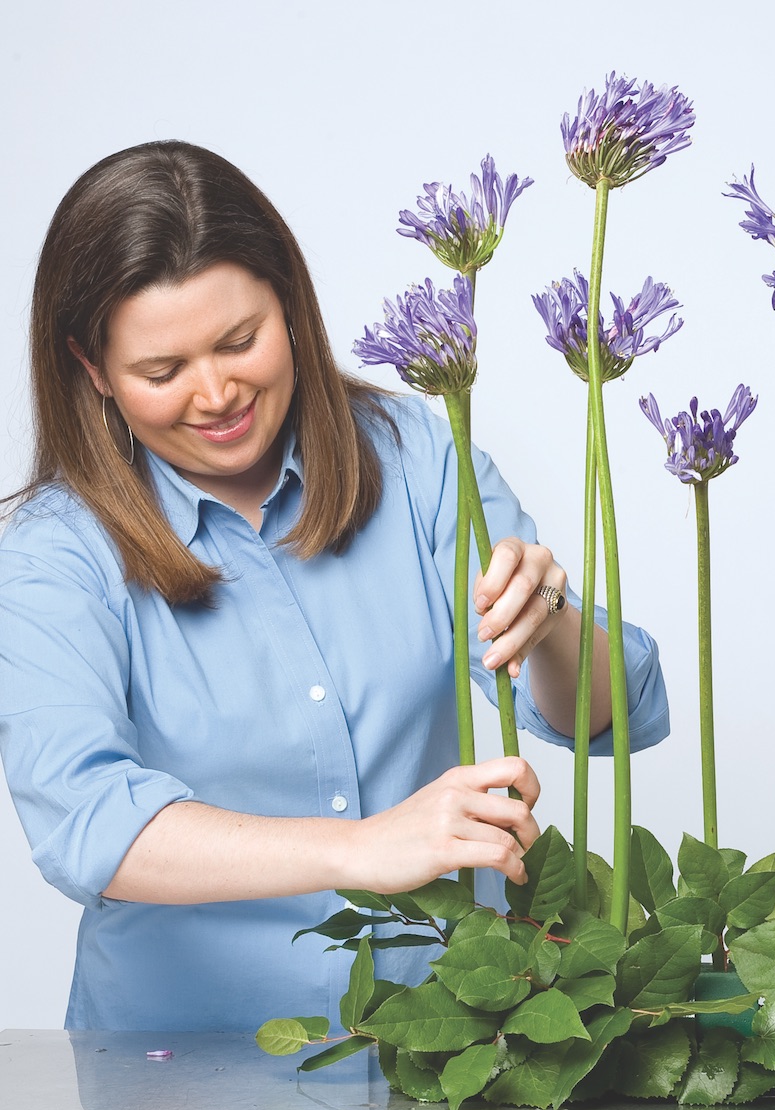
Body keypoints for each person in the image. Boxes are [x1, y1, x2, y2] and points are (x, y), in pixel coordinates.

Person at [0, 141, 669, 1032]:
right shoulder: (53, 557)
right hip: (184, 1083)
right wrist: (361, 849)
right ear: (94, 372)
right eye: (162, 373)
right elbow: (86, 821)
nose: (216, 393)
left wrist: (549, 625)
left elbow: (612, 715)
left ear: (291, 304)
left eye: (241, 341)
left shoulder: (417, 458)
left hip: (448, 1050)